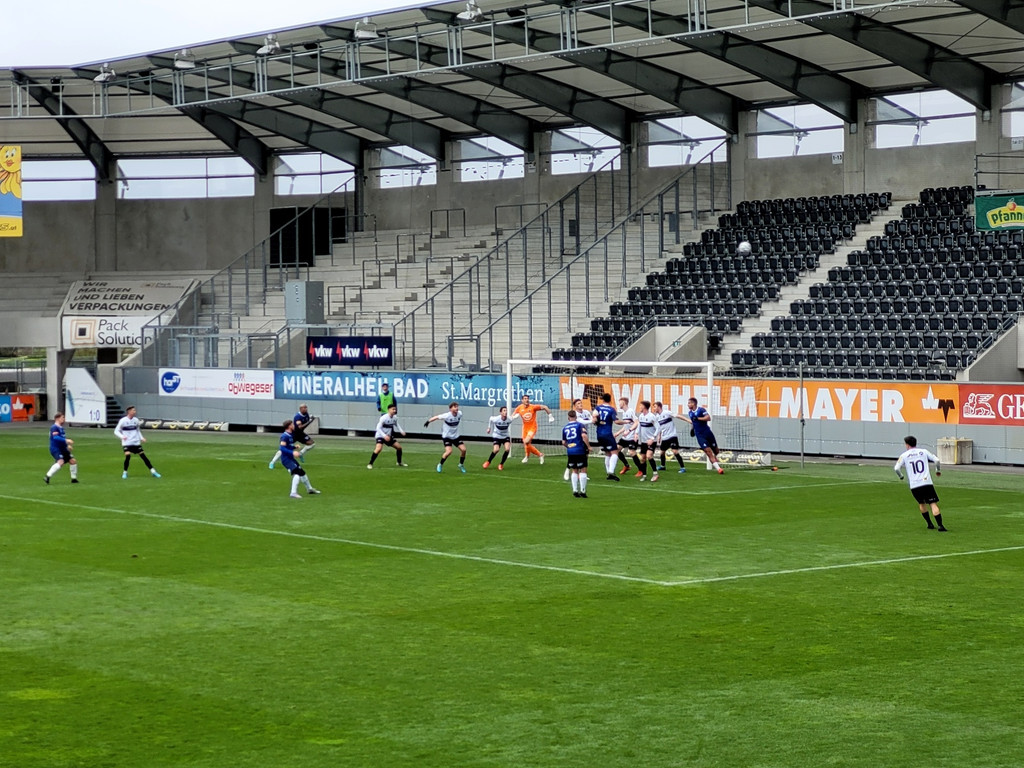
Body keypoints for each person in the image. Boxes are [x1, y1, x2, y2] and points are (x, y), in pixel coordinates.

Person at [894, 435, 947, 531]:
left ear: (907, 444)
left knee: (922, 503)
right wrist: (937, 470)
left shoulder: (904, 455)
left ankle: (929, 524)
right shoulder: (924, 451)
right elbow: (937, 460)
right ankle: (940, 525)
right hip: (926, 482)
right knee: (932, 503)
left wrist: (901, 476)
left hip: (915, 485)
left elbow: (896, 468)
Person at [114, 405, 161, 479]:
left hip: (135, 442)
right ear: (129, 411)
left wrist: (141, 438)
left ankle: (153, 472)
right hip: (127, 443)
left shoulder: (136, 420)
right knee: (128, 456)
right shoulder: (123, 420)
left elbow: (138, 430)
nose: (135, 411)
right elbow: (116, 431)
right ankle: (125, 472)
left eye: (135, 410)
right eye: (133, 410)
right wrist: (122, 437)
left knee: (143, 457)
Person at [279, 419, 320, 499]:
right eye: (292, 425)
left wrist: (294, 447)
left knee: (302, 473)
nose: (294, 426)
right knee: (297, 474)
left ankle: (309, 489)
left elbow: (288, 446)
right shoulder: (284, 436)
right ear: (289, 426)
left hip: (290, 458)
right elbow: (282, 448)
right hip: (286, 459)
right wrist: (293, 452)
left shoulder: (290, 435)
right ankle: (293, 493)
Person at [683, 397, 724, 474]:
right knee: (708, 451)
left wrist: (698, 418)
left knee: (716, 451)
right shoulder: (690, 413)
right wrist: (692, 429)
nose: (688, 405)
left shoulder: (701, 410)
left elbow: (708, 418)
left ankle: (715, 460)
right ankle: (719, 469)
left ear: (693, 403)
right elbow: (693, 422)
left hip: (707, 432)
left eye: (689, 403)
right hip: (699, 435)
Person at [425, 401, 467, 473]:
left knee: (463, 450)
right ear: (450, 409)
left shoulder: (460, 414)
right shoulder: (447, 415)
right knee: (449, 451)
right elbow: (437, 417)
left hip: (456, 436)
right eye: (455, 407)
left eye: (457, 406)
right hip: (447, 436)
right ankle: (440, 464)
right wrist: (428, 421)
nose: (457, 408)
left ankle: (461, 465)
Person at [269, 403, 315, 469]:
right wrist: (310, 421)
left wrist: (309, 421)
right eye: (304, 408)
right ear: (301, 409)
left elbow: (303, 427)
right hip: (294, 434)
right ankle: (272, 462)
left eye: (306, 407)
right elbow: (300, 427)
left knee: (312, 444)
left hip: (300, 434)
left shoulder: (306, 414)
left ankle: (300, 454)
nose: (306, 409)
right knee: (283, 449)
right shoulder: (297, 417)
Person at [511, 393, 554, 464]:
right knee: (527, 444)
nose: (526, 400)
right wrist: (512, 417)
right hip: (525, 428)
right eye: (525, 399)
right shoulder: (519, 408)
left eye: (527, 398)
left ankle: (536, 455)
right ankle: (533, 456)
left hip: (532, 427)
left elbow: (545, 407)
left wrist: (550, 416)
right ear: (522, 400)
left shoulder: (533, 407)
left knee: (526, 442)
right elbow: (512, 415)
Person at [592, 392, 622, 481]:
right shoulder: (611, 409)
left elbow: (594, 419)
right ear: (610, 400)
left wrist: (598, 421)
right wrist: (626, 422)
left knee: (607, 453)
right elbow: (616, 421)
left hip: (599, 434)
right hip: (607, 433)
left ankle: (609, 473)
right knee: (614, 452)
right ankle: (611, 471)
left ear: (603, 399)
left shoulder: (597, 408)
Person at [368, 403, 407, 469]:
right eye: (393, 409)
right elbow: (378, 428)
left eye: (395, 409)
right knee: (378, 449)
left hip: (388, 436)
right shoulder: (384, 418)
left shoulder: (395, 418)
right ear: (389, 410)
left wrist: (401, 431)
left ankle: (399, 462)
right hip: (380, 435)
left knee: (399, 447)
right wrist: (384, 436)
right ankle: (370, 464)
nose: (394, 410)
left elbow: (397, 424)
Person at [652, 401, 687, 474]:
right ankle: (662, 466)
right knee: (662, 452)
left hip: (672, 436)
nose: (654, 408)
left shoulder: (666, 413)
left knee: (675, 451)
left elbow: (677, 416)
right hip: (664, 437)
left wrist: (688, 420)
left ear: (659, 406)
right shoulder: (657, 417)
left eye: (655, 406)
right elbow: (660, 428)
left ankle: (682, 467)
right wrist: (659, 436)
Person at [564, 398, 595, 480]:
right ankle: (568, 470)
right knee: (575, 455)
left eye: (581, 403)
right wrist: (592, 421)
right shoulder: (575, 415)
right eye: (578, 403)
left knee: (585, 455)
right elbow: (583, 422)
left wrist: (595, 420)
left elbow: (592, 419)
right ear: (575, 406)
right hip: (577, 438)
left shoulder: (586, 412)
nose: (580, 404)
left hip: (584, 436)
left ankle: (582, 473)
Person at [44, 412, 79, 484]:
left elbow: (61, 438)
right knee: (61, 462)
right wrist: (66, 440)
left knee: (73, 461)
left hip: (63, 448)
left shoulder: (61, 428)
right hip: (56, 448)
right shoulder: (54, 427)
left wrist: (67, 445)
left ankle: (74, 479)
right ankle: (47, 476)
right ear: (57, 418)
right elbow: (56, 437)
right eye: (62, 417)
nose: (64, 419)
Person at [562, 410, 590, 498]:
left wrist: (569, 447)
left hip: (571, 451)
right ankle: (583, 490)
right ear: (576, 417)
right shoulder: (579, 425)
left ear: (568, 417)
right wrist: (588, 446)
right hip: (580, 450)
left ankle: (575, 490)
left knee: (574, 470)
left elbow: (563, 442)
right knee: (583, 469)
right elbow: (584, 436)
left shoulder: (565, 427)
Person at [615, 397, 641, 476]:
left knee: (632, 452)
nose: (619, 404)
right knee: (617, 450)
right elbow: (626, 425)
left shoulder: (630, 411)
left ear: (623, 402)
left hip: (632, 437)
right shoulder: (624, 413)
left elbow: (636, 422)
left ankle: (641, 470)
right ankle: (627, 466)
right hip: (625, 437)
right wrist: (618, 433)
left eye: (620, 402)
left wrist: (630, 431)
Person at [635, 400, 659, 482]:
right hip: (644, 441)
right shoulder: (641, 416)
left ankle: (655, 474)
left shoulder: (652, 416)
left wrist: (653, 438)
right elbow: (639, 426)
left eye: (641, 405)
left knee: (649, 456)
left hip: (651, 441)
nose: (639, 407)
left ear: (644, 407)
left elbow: (658, 428)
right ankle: (644, 475)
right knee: (643, 458)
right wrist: (636, 434)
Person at [483, 405, 513, 470]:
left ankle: (501, 464)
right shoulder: (496, 419)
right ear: (501, 412)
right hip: (497, 435)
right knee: (496, 450)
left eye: (506, 411)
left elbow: (513, 417)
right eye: (504, 411)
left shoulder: (509, 419)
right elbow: (490, 418)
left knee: (507, 449)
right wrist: (489, 428)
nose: (505, 412)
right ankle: (488, 461)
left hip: (505, 436)